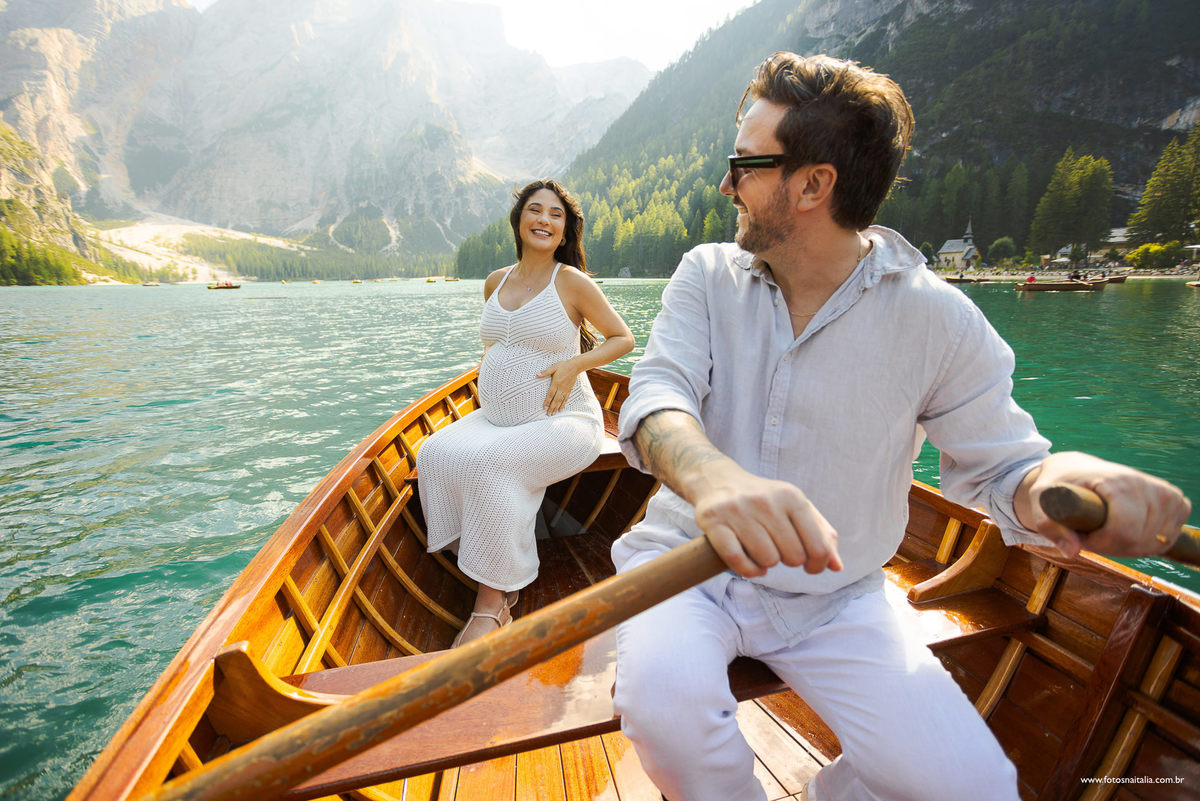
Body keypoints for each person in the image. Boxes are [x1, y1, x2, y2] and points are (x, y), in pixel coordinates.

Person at [610, 52, 1191, 801]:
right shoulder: (706, 275)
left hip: (835, 595)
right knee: (665, 709)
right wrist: (713, 478)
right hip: (684, 570)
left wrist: (1069, 484)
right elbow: (658, 396)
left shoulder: (938, 320)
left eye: (744, 163)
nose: (727, 184)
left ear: (814, 184)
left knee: (976, 787)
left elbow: (1009, 471)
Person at [418, 179, 634, 647]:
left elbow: (623, 339)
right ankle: (488, 557)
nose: (544, 220)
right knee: (432, 454)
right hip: (495, 418)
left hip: (564, 420)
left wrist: (575, 363)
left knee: (488, 466)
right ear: (519, 221)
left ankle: (492, 606)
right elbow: (500, 345)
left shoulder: (572, 282)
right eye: (535, 211)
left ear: (565, 230)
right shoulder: (495, 281)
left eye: (555, 215)